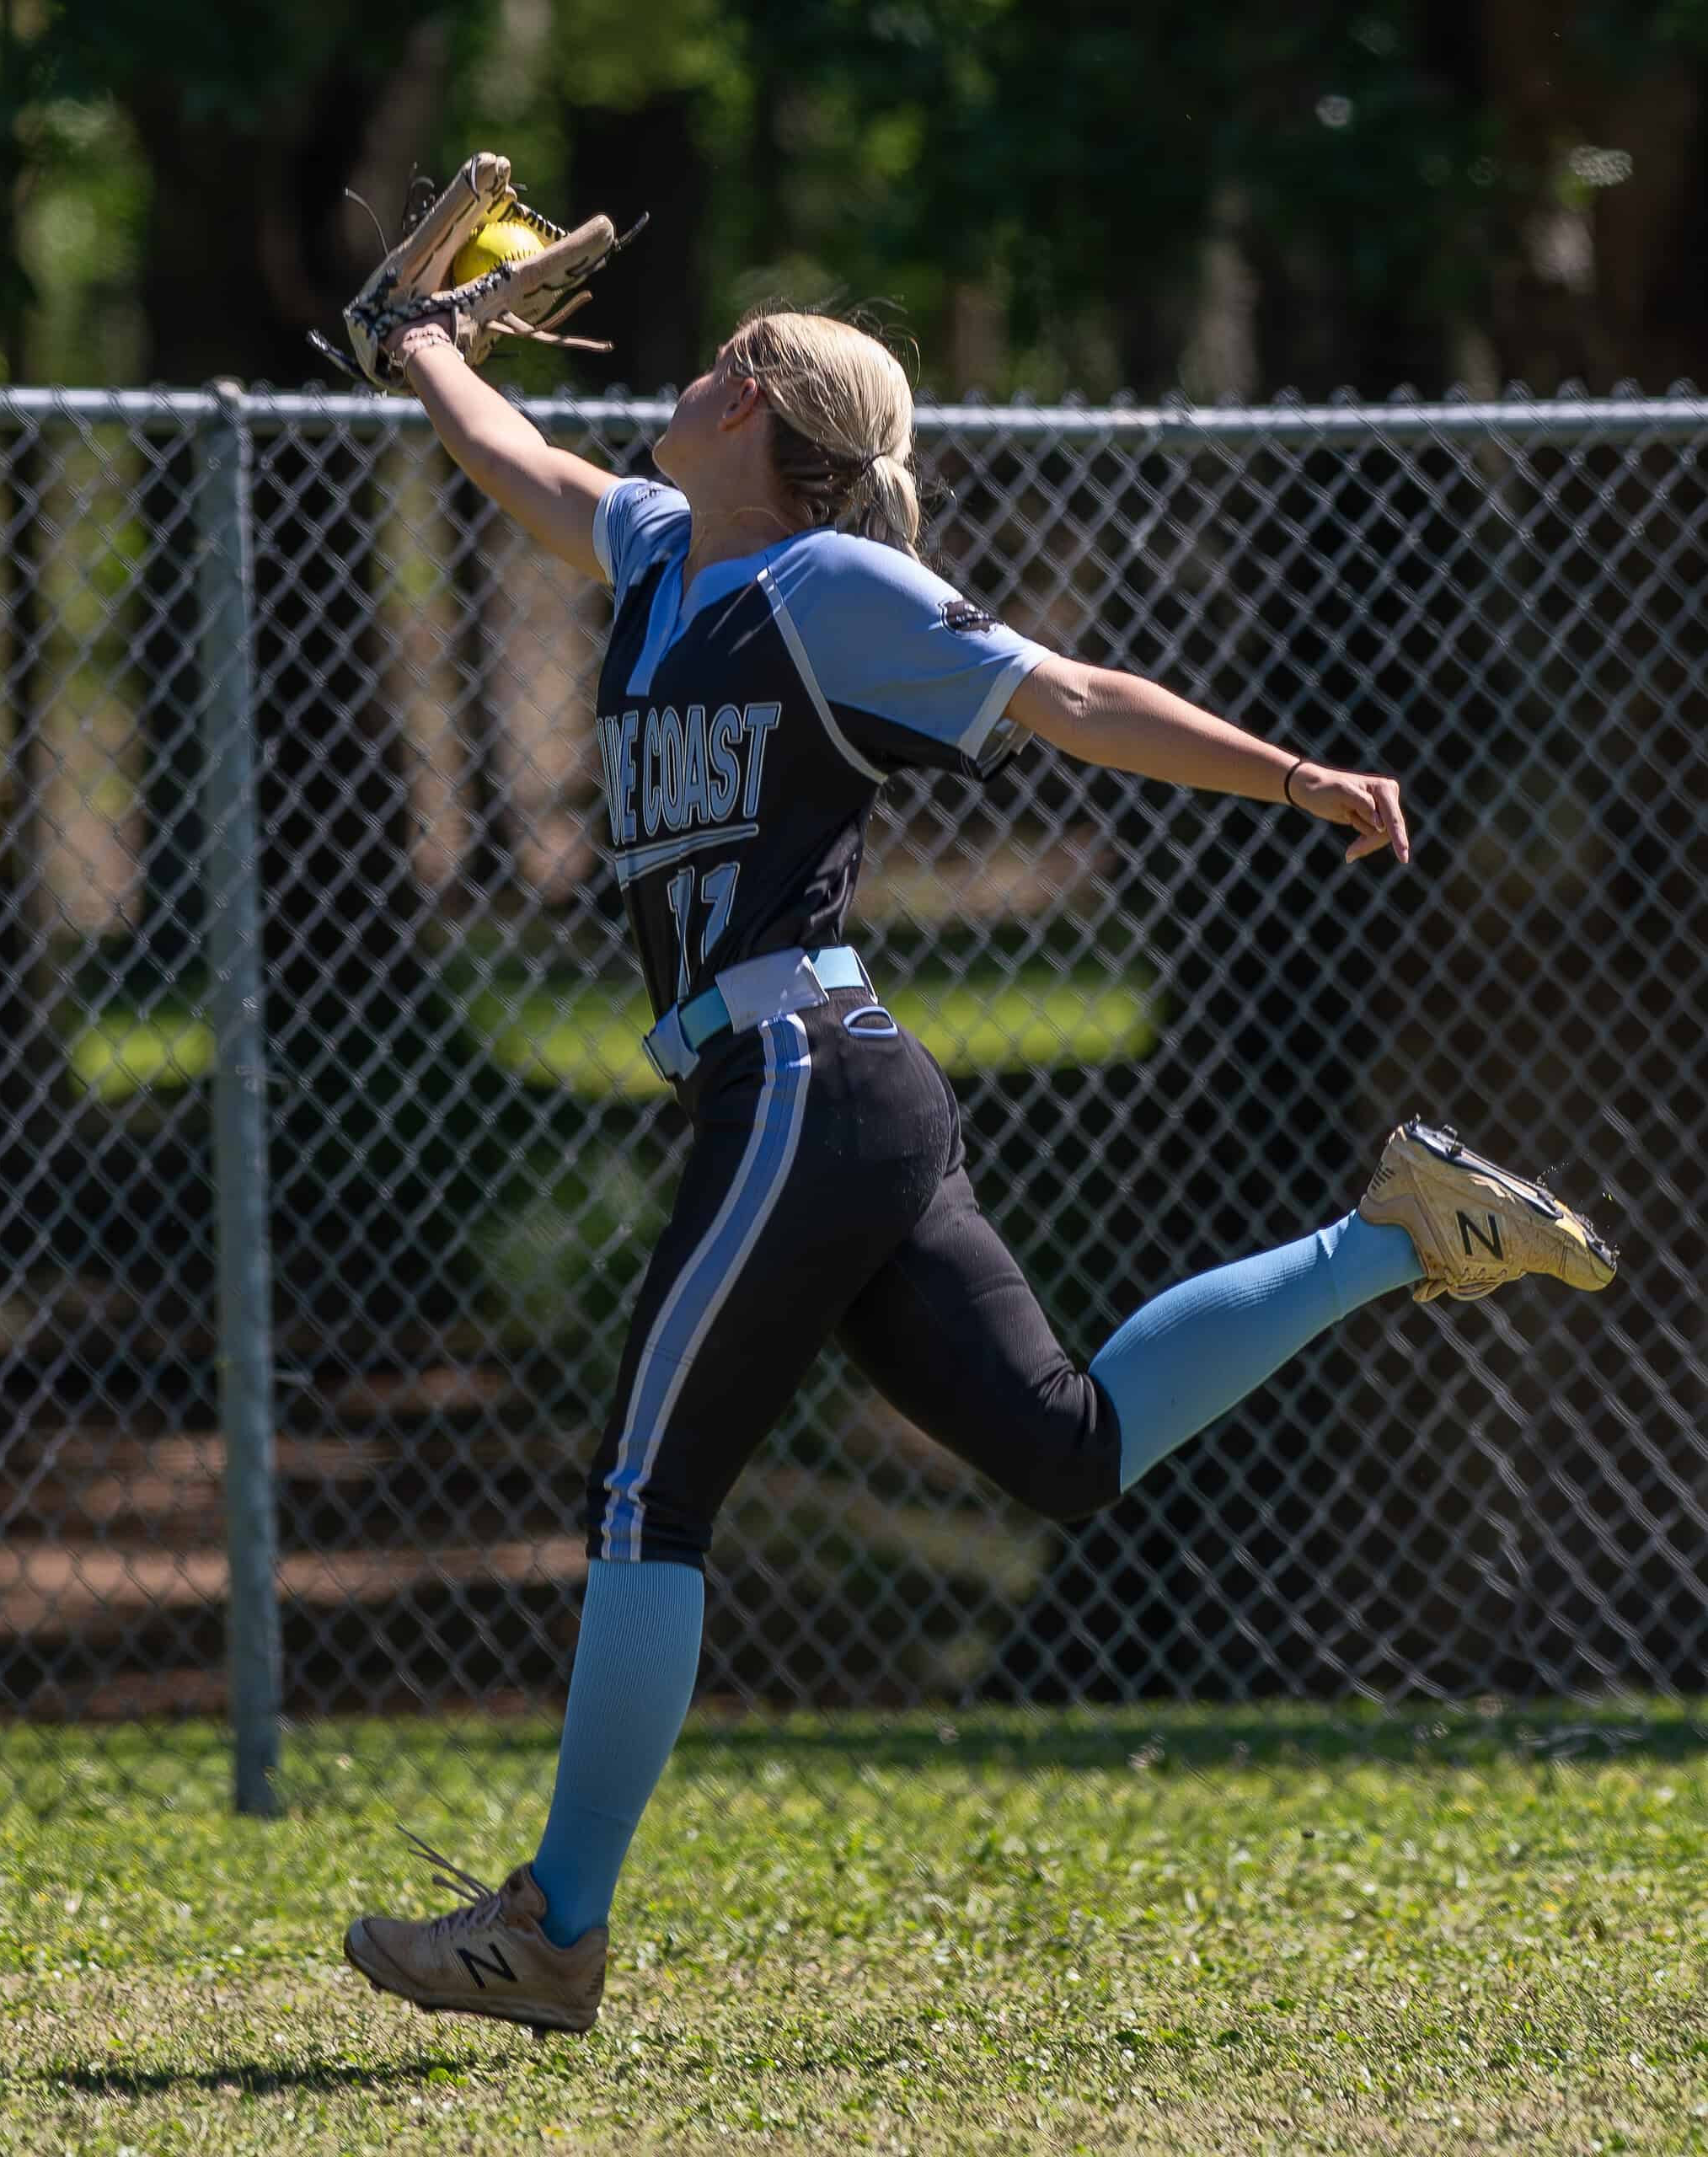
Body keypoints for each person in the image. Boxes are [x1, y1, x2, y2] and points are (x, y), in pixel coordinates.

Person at [342, 307, 1615, 2037]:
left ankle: (555, 1925)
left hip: (798, 1075)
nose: (687, 371)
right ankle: (1393, 1234)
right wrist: (421, 350)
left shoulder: (832, 592)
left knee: (651, 1500)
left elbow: (1075, 696)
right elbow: (524, 467)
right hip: (817, 1089)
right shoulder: (657, 553)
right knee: (1066, 1445)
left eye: (721, 355)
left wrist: (1299, 777)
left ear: (749, 409)